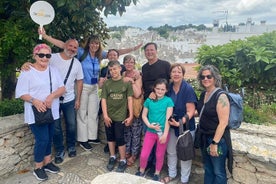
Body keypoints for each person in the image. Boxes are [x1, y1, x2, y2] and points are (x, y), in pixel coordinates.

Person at [39, 28, 142, 151]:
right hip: (83, 86)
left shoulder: (100, 55)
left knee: (93, 113)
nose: (94, 45)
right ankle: (83, 139)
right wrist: (45, 36)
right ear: (89, 43)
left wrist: (134, 49)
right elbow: (64, 45)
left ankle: (92, 137)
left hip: (94, 87)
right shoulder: (81, 52)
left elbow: (115, 52)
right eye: (92, 43)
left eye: (97, 43)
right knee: (82, 113)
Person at [21, 39, 84, 164]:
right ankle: (59, 150)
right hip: (51, 102)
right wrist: (27, 64)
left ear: (77, 50)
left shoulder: (76, 63)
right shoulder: (52, 57)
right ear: (64, 45)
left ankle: (71, 146)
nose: (72, 49)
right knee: (55, 128)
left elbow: (79, 81)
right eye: (70, 46)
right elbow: (38, 63)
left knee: (71, 125)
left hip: (68, 99)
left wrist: (78, 99)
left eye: (75, 47)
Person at [15, 44, 65, 181]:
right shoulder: (27, 71)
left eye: (47, 55)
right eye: (41, 55)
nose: (44, 58)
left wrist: (51, 96)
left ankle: (48, 162)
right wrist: (34, 101)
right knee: (42, 139)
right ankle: (38, 167)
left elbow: (62, 88)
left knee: (49, 138)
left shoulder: (53, 70)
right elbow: (21, 93)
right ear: (35, 56)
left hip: (51, 111)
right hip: (35, 112)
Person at [161, 64, 197, 184]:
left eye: (179, 72)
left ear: (183, 74)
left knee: (185, 153)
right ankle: (172, 174)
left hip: (185, 127)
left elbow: (191, 111)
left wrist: (180, 123)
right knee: (171, 151)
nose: (176, 74)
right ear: (170, 74)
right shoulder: (168, 87)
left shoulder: (188, 89)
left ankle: (184, 180)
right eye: (173, 72)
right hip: (171, 125)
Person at [196, 65, 233, 184]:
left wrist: (214, 143)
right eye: (203, 77)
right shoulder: (204, 94)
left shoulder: (221, 96)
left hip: (217, 140)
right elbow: (201, 111)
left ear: (215, 78)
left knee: (218, 171)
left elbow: (223, 122)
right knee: (208, 169)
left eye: (209, 76)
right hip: (204, 137)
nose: (205, 79)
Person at [141, 42, 171, 176]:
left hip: (163, 104)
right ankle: (146, 164)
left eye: (151, 50)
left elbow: (170, 82)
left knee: (159, 140)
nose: (149, 52)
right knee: (149, 136)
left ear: (156, 51)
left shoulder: (165, 65)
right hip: (149, 104)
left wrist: (163, 98)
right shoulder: (144, 67)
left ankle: (155, 167)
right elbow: (144, 85)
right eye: (147, 50)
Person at [136, 78, 174, 181]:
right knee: (144, 154)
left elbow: (168, 119)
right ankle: (142, 171)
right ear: (154, 88)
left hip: (162, 133)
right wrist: (149, 125)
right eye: (158, 89)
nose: (160, 91)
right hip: (150, 131)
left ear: (166, 90)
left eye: (162, 89)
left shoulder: (168, 101)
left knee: (159, 155)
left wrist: (165, 134)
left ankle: (157, 173)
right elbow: (144, 115)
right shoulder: (149, 100)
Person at [101, 60, 133, 173]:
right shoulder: (107, 83)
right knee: (110, 137)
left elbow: (129, 99)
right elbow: (103, 99)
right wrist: (105, 115)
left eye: (115, 68)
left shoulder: (126, 83)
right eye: (110, 70)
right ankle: (112, 156)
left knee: (120, 138)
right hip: (109, 115)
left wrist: (131, 115)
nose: (113, 71)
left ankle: (123, 159)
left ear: (120, 68)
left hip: (120, 116)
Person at [122, 55, 143, 166]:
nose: (129, 64)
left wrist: (131, 81)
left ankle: (134, 154)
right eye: (127, 62)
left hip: (135, 109)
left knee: (135, 133)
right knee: (126, 132)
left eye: (131, 62)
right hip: (125, 107)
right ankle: (127, 151)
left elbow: (137, 93)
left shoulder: (137, 75)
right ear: (124, 64)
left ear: (134, 63)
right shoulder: (123, 74)